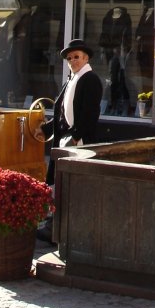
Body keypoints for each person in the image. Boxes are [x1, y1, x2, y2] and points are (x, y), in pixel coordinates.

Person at [36, 38, 103, 243]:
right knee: (62, 182)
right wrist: (46, 129)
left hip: (78, 141)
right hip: (66, 139)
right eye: (70, 58)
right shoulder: (71, 80)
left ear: (86, 58)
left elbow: (90, 113)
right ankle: (56, 224)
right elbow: (61, 113)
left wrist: (76, 136)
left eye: (77, 57)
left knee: (73, 184)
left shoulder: (90, 79)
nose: (73, 61)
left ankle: (63, 227)